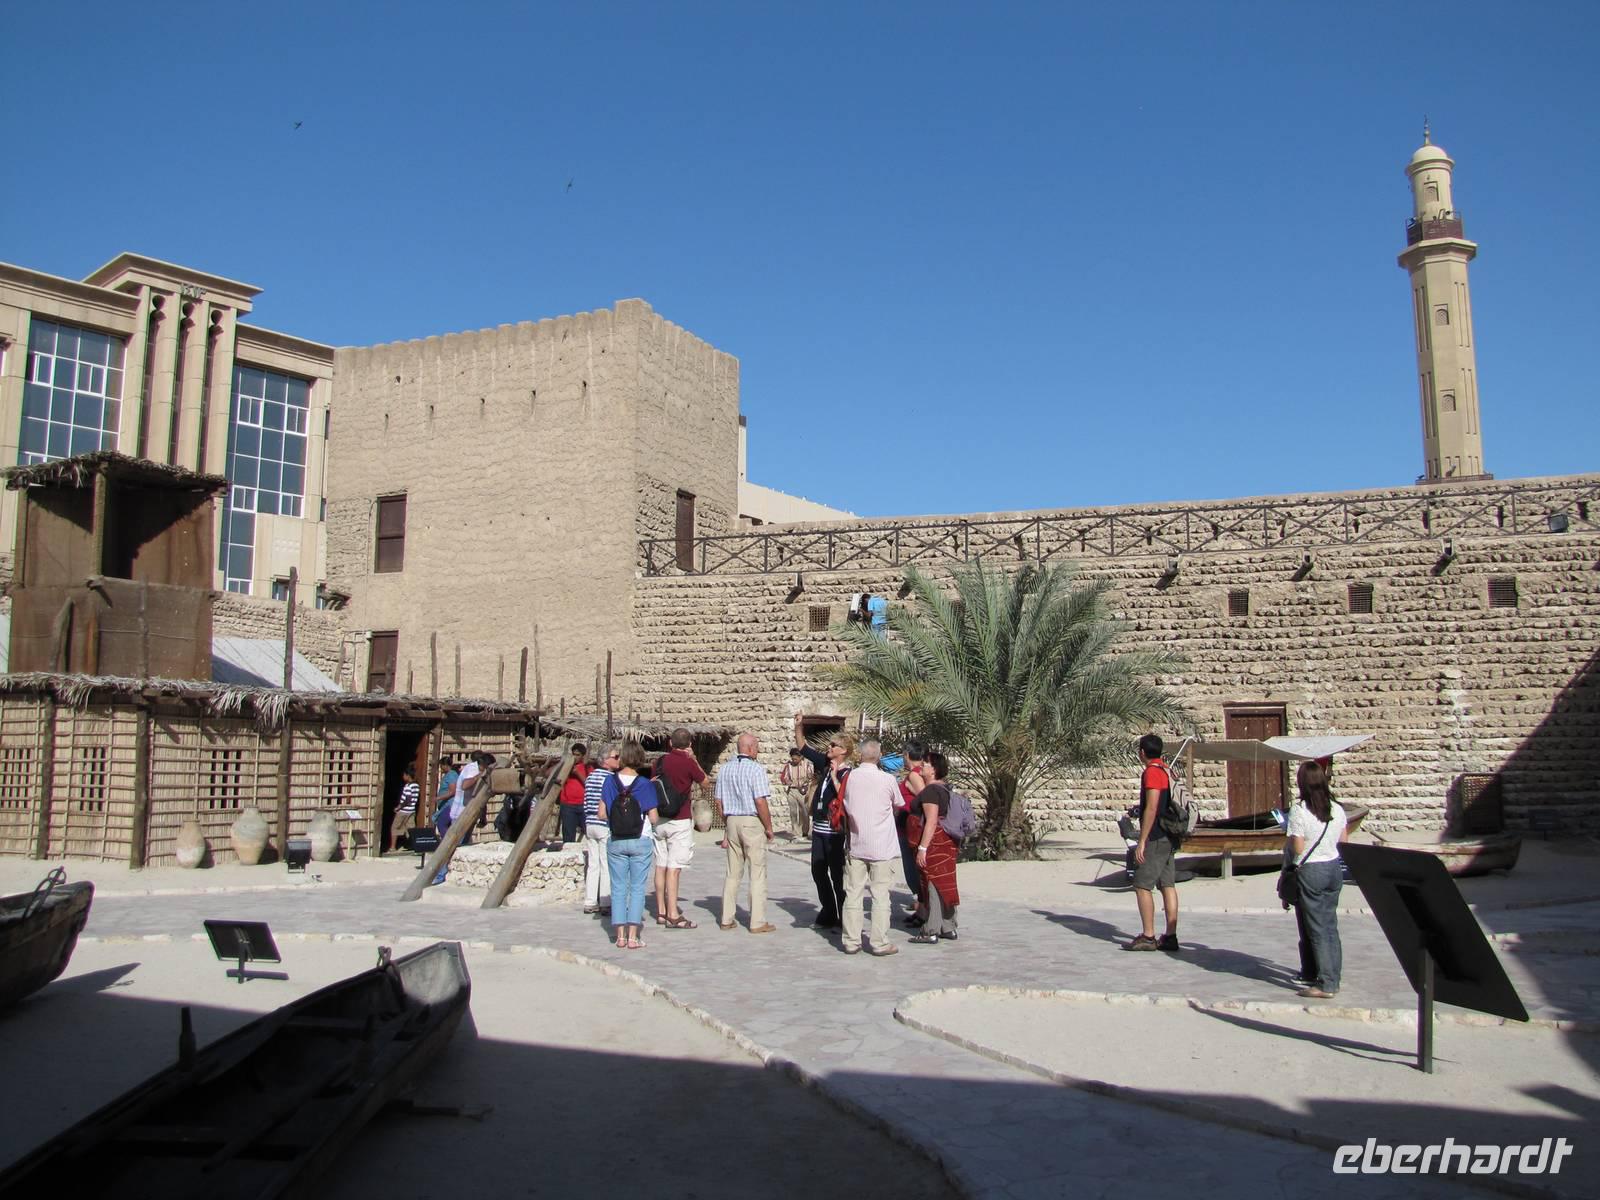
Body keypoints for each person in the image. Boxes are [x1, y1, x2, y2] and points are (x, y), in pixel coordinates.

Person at [1288, 759, 1348, 998]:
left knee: (1317, 928)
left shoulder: (1300, 810)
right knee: (1330, 924)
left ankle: (1325, 982)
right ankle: (1334, 974)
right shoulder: (1337, 808)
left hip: (1311, 870)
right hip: (1333, 868)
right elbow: (1344, 841)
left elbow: (1299, 847)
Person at [838, 740, 901, 955]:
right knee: (880, 894)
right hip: (882, 845)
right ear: (880, 755)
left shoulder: (850, 777)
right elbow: (899, 804)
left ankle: (851, 941)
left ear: (860, 755)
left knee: (853, 892)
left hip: (856, 843)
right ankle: (879, 942)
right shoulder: (888, 779)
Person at [599, 742, 661, 950]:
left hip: (616, 839)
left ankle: (620, 936)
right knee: (636, 888)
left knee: (617, 888)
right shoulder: (644, 784)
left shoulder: (609, 782)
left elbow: (601, 813)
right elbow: (653, 818)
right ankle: (633, 936)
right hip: (640, 839)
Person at [793, 715, 852, 930]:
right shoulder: (825, 765)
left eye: (833, 745)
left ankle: (844, 917)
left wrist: (836, 777)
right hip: (818, 830)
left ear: (843, 750)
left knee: (837, 875)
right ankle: (828, 911)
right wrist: (798, 726)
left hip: (834, 833)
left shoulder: (847, 773)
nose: (829, 747)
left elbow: (845, 798)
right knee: (818, 871)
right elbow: (803, 747)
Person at [714, 732, 776, 933]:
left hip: (731, 819)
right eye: (756, 747)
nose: (757, 750)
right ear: (749, 748)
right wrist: (768, 826)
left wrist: (727, 822)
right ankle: (757, 921)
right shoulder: (756, 770)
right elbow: (760, 800)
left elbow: (718, 801)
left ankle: (726, 918)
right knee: (757, 872)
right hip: (751, 820)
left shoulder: (725, 769)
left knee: (732, 872)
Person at [1125, 734, 1181, 952]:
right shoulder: (1168, 770)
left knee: (1141, 885)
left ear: (1142, 753)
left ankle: (1148, 935)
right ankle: (1171, 935)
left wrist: (1142, 841)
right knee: (1167, 885)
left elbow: (1152, 808)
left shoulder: (1152, 773)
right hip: (1170, 835)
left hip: (1156, 836)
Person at [652, 727, 705, 928]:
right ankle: (673, 913)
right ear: (689, 744)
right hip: (680, 819)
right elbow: (705, 782)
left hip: (660, 820)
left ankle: (661, 911)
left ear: (670, 743)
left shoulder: (659, 762)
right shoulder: (688, 763)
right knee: (674, 868)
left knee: (660, 865)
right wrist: (695, 760)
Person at [907, 752, 961, 944]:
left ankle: (931, 929)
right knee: (945, 883)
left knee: (932, 884)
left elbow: (931, 821)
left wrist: (922, 848)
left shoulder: (931, 792)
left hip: (934, 844)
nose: (922, 765)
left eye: (927, 764)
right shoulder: (944, 789)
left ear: (934, 769)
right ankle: (948, 927)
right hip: (945, 844)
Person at [581, 745, 620, 914]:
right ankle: (605, 901)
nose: (618, 759)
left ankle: (590, 901)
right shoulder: (611, 779)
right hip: (604, 824)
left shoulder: (590, 777)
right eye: (615, 756)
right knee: (605, 864)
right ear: (605, 760)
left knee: (593, 864)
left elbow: (586, 801)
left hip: (590, 823)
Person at [895, 739, 928, 926]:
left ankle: (923, 912)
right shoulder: (916, 773)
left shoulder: (914, 775)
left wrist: (907, 788)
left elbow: (925, 798)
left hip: (912, 829)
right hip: (907, 828)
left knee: (912, 871)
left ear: (907, 755)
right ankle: (921, 910)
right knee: (912, 871)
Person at [779, 749, 814, 839]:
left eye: (796, 759)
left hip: (803, 791)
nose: (794, 761)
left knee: (804, 811)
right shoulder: (788, 766)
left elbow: (811, 776)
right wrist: (788, 782)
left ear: (801, 757)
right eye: (793, 759)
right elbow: (783, 777)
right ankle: (796, 832)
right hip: (792, 790)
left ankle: (805, 831)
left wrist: (806, 784)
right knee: (793, 811)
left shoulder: (807, 765)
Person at [559, 742, 590, 845]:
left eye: (578, 755)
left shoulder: (588, 768)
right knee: (568, 836)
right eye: (574, 754)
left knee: (589, 833)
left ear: (583, 756)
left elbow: (589, 784)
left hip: (583, 804)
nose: (575, 757)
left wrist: (577, 773)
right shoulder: (566, 766)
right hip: (568, 805)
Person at [389, 765, 420, 853]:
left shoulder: (408, 786)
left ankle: (392, 847)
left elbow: (408, 799)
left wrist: (399, 807)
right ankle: (413, 845)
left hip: (404, 811)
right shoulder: (416, 786)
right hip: (412, 810)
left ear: (407, 775)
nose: (403, 777)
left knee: (395, 827)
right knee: (410, 828)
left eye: (404, 775)